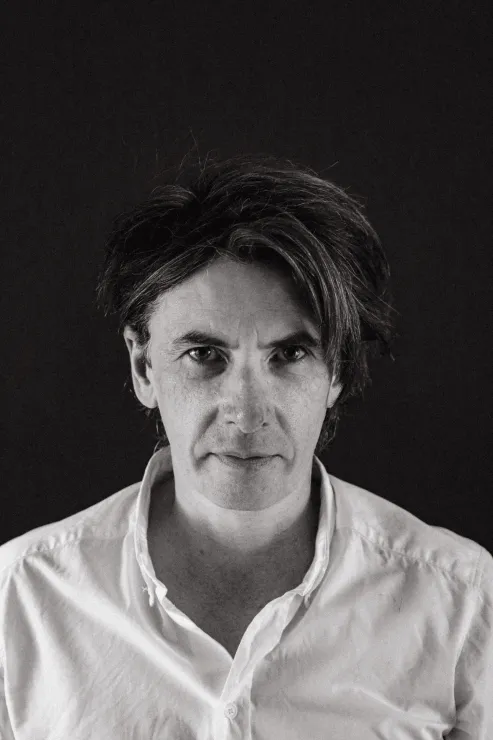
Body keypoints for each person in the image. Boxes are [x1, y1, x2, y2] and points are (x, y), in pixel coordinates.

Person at [0, 154, 491, 739]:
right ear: (143, 366)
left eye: (290, 354)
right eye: (204, 355)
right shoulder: (20, 598)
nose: (248, 411)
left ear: (337, 370)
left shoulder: (461, 600)